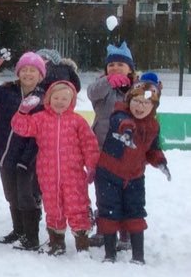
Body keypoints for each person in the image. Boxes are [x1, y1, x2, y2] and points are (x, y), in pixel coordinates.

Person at [11, 81, 99, 256]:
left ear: (72, 100)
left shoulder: (77, 121)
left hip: (73, 175)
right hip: (48, 173)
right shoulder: (40, 118)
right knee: (53, 207)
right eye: (56, 98)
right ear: (48, 99)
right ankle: (56, 242)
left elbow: (90, 144)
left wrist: (91, 165)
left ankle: (82, 243)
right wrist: (22, 112)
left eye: (64, 99)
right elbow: (20, 127)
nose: (60, 102)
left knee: (77, 206)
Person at [0, 49, 46, 251]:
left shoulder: (43, 99)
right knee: (12, 195)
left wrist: (29, 158)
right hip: (5, 154)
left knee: (27, 195)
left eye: (33, 70)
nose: (28, 74)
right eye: (24, 70)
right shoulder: (7, 92)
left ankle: (31, 238)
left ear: (40, 75)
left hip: (28, 157)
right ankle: (18, 231)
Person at [95, 82, 171, 264]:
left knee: (135, 211)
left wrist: (160, 162)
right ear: (129, 101)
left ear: (153, 107)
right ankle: (109, 254)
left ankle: (138, 255)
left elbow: (153, 149)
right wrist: (127, 131)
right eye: (136, 101)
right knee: (109, 211)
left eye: (146, 103)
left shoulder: (153, 126)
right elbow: (122, 122)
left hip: (135, 177)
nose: (140, 106)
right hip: (108, 174)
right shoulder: (119, 114)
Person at [88, 42, 137, 144]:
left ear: (130, 69)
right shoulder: (102, 84)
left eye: (120, 64)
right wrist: (107, 81)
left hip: (128, 142)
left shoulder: (137, 87)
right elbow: (92, 93)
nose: (115, 67)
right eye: (111, 65)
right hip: (102, 141)